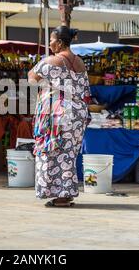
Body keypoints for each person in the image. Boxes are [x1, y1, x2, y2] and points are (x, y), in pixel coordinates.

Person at [28, 26, 90, 207]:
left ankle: (61, 196)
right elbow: (85, 89)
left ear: (60, 42)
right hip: (78, 113)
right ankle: (66, 193)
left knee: (52, 153)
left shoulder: (51, 61)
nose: (49, 44)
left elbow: (31, 77)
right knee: (69, 154)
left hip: (58, 113)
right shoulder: (80, 63)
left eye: (52, 40)